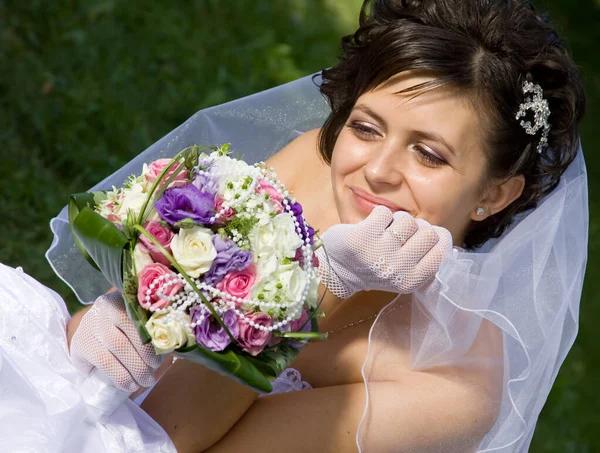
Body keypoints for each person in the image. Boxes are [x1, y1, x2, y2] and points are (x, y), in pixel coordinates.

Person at [3, 0, 587, 452]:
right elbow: (91, 348)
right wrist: (122, 310)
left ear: (493, 194)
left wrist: (319, 285)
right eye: (366, 127)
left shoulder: (454, 389)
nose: (376, 171)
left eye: (429, 155)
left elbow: (166, 437)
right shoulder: (321, 164)